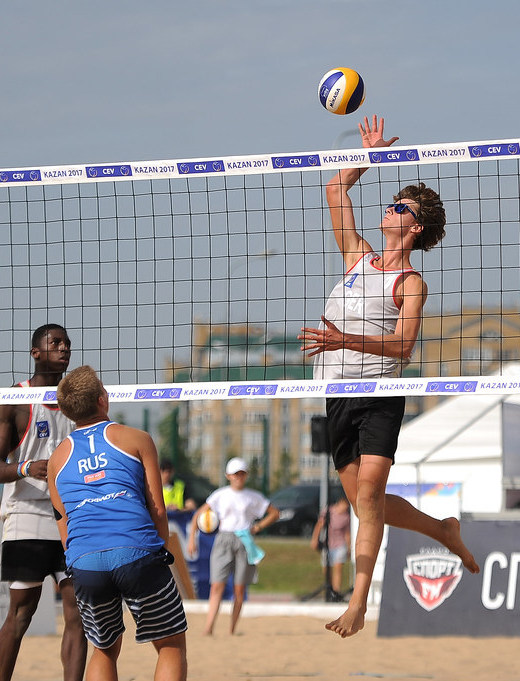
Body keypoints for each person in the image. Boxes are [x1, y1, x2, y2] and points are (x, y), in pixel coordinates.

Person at [297, 115, 480, 638]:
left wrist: (344, 341)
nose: (390, 208)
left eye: (401, 207)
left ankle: (358, 603)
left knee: (371, 492)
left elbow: (403, 347)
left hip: (380, 394)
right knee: (365, 504)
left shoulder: (411, 282)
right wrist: (369, 156)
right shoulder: (357, 256)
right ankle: (442, 529)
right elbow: (335, 188)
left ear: (414, 227)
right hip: (338, 394)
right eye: (393, 202)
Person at [48, 365, 188, 681]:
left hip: (85, 561)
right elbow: (157, 508)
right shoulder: (136, 439)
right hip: (136, 551)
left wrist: (79, 562)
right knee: (170, 645)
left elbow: (64, 526)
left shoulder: (57, 459)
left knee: (104, 650)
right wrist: (159, 552)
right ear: (102, 399)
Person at [0, 324, 85, 681]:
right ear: (36, 353)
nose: (64, 348)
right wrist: (28, 467)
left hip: (70, 518)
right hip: (26, 515)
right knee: (21, 613)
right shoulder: (13, 399)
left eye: (67, 343)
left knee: (78, 613)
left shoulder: (78, 401)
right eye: (55, 343)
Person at [186, 457, 280, 636]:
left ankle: (232, 629)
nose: (239, 477)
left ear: (246, 475)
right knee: (217, 585)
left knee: (239, 588)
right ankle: (209, 628)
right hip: (223, 539)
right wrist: (192, 539)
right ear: (228, 475)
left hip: (244, 540)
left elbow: (275, 513)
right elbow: (198, 515)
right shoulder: (220, 495)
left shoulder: (253, 496)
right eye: (235, 474)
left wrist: (258, 527)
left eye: (242, 473)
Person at [309, 496, 352, 599]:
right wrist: (315, 539)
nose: (345, 509)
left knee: (338, 568)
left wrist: (349, 547)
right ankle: (329, 589)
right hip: (328, 544)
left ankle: (336, 592)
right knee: (326, 569)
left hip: (340, 544)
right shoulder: (329, 511)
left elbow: (347, 533)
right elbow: (319, 525)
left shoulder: (346, 517)